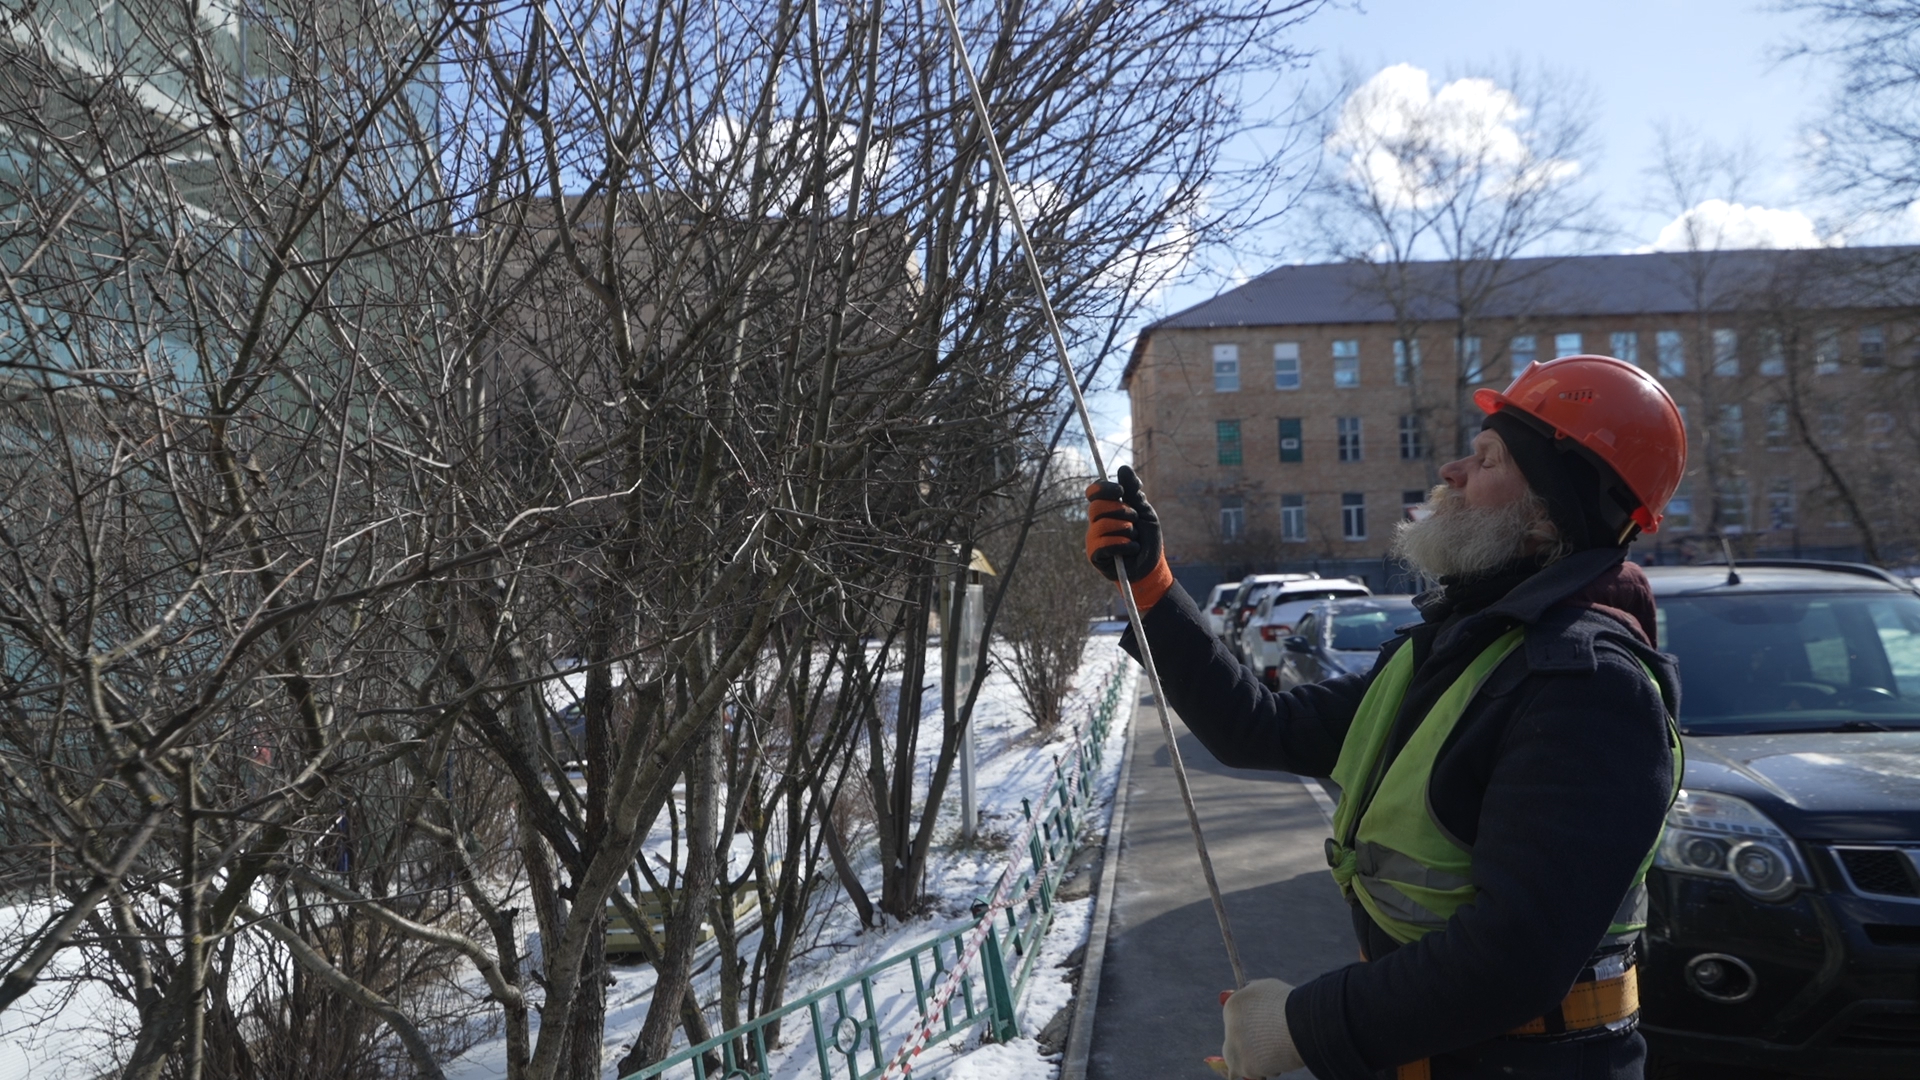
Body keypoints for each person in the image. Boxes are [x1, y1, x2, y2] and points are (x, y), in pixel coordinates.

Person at [1085, 355, 1687, 1080]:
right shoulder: (1456, 653)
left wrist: (1303, 1025)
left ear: (1547, 514)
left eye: (1488, 457)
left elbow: (1515, 956)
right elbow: (1264, 725)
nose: (1453, 470)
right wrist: (1154, 588)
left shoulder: (1588, 689)